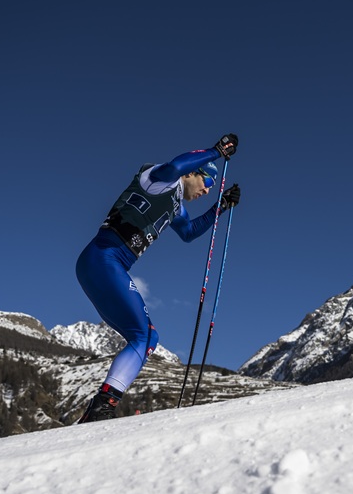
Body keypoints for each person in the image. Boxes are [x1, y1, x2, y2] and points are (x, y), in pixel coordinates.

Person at [75, 134, 241, 423]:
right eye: (208, 183)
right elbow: (177, 165)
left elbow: (189, 232)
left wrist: (221, 207)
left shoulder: (176, 204)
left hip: (102, 264)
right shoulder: (158, 179)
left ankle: (100, 406)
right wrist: (216, 151)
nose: (207, 191)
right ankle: (102, 407)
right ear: (194, 172)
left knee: (146, 336)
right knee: (144, 335)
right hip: (105, 258)